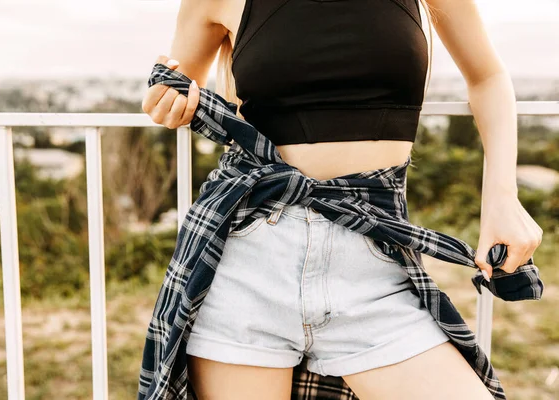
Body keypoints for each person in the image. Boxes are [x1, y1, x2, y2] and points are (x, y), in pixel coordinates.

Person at [140, 0, 544, 399]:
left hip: (372, 264)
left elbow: (487, 76)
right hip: (247, 261)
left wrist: (501, 198)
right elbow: (176, 90)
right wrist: (167, 99)